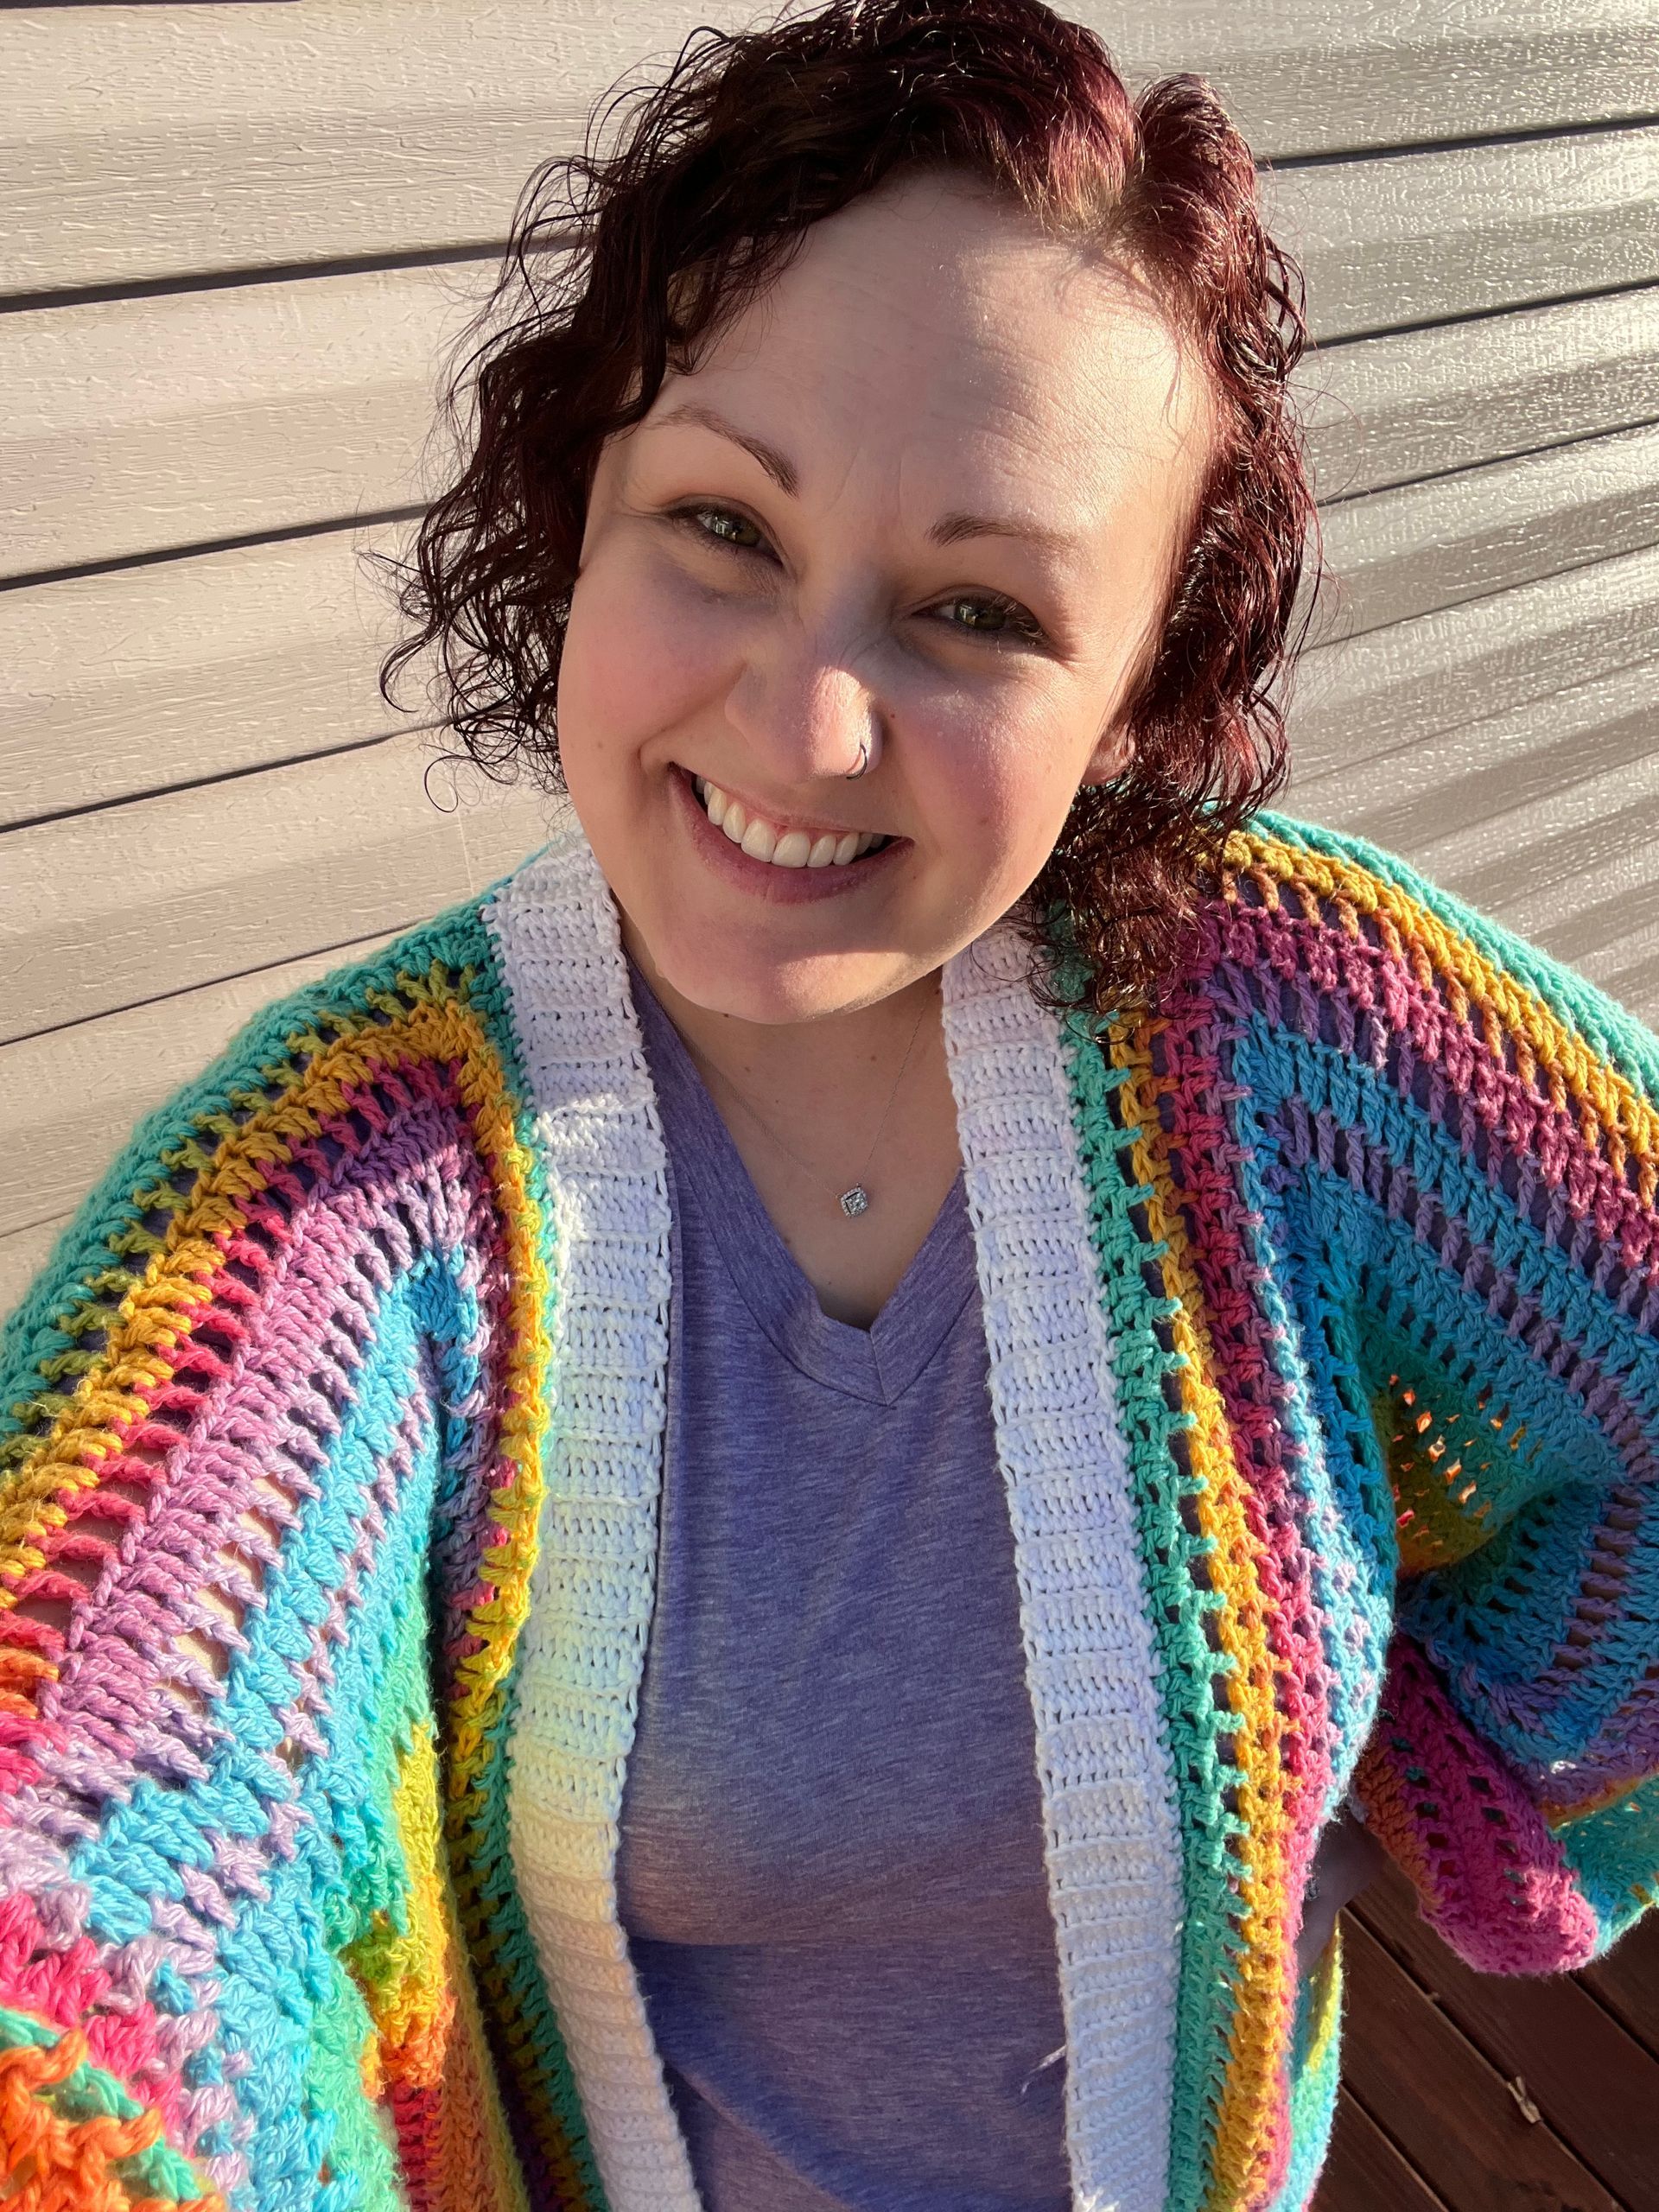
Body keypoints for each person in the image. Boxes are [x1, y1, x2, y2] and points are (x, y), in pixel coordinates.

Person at [2, 3, 1654, 2208]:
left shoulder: (1308, 1045)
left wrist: (1427, 1724)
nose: (812, 720)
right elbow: (101, 1818)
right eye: (722, 523)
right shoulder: (345, 1200)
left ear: (1137, 686)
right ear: (576, 499)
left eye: (978, 607)